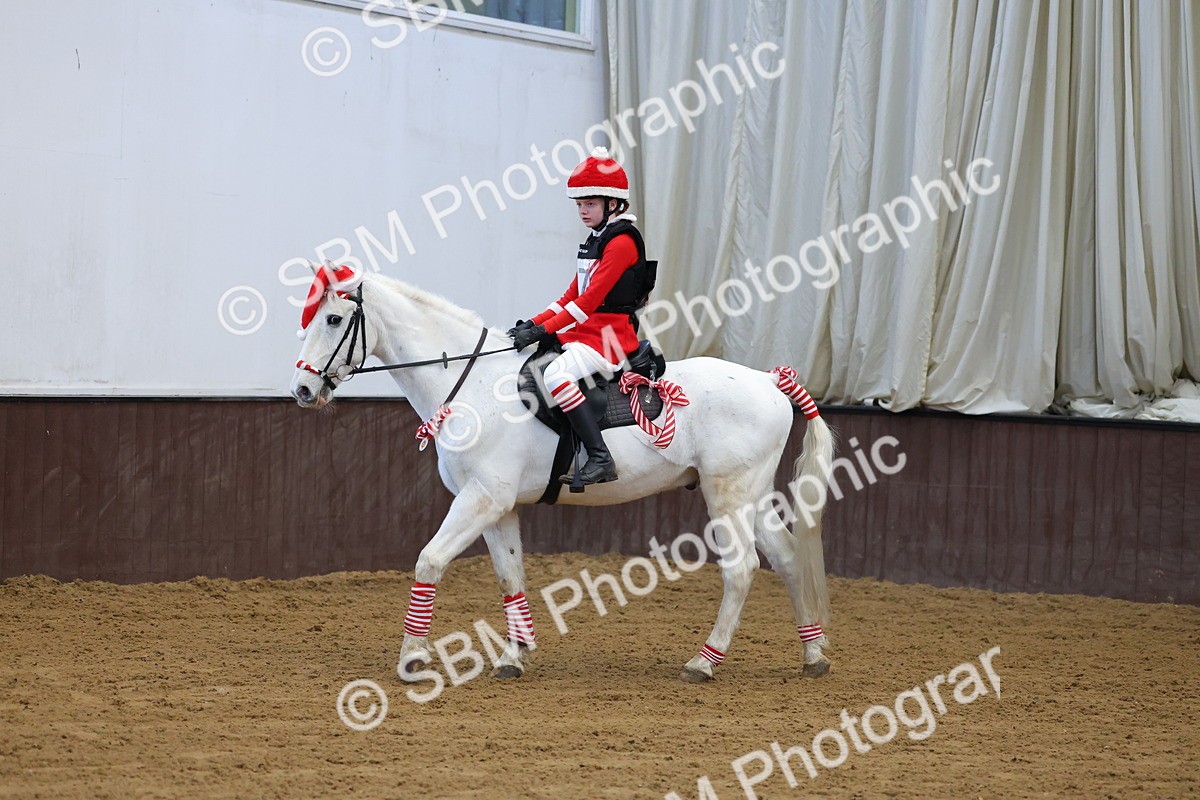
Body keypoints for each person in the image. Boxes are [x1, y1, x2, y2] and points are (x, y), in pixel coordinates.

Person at [508, 146, 653, 486]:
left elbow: (588, 302)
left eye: (590, 204)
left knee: (557, 376)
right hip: (588, 332)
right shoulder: (595, 240)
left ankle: (601, 456)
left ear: (613, 203)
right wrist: (534, 324)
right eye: (579, 205)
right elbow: (570, 296)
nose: (583, 211)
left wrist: (545, 329)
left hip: (610, 337)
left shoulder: (622, 243)